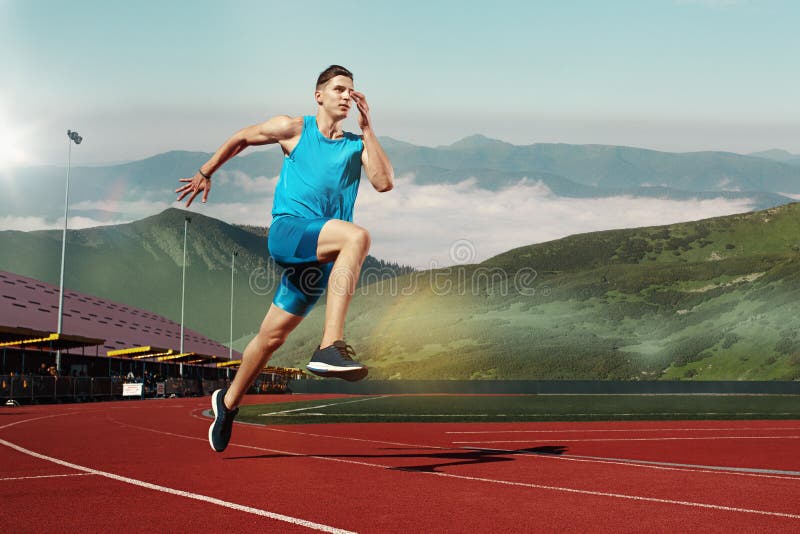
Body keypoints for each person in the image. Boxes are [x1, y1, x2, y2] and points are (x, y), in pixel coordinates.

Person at [175, 65, 394, 452]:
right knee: (357, 237)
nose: (347, 96)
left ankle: (226, 405)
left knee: (271, 337)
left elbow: (383, 182)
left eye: (352, 91)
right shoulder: (294, 128)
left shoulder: (356, 145)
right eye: (339, 89)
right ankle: (331, 344)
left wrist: (370, 129)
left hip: (319, 256)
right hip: (291, 232)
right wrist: (206, 171)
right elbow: (243, 137)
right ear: (319, 95)